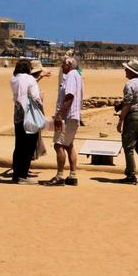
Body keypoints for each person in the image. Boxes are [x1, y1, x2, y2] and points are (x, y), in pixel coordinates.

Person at [47, 54, 83, 186]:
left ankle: (59, 176)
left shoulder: (71, 76)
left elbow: (69, 96)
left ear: (69, 64)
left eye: (63, 64)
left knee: (58, 144)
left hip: (66, 116)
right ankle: (72, 175)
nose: (62, 66)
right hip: (73, 116)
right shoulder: (78, 76)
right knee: (69, 144)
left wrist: (60, 114)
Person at [9, 59, 46, 184]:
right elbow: (35, 97)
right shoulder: (29, 79)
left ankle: (16, 174)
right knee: (29, 145)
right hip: (29, 115)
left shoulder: (13, 79)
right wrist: (41, 100)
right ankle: (23, 176)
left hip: (18, 114)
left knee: (19, 145)